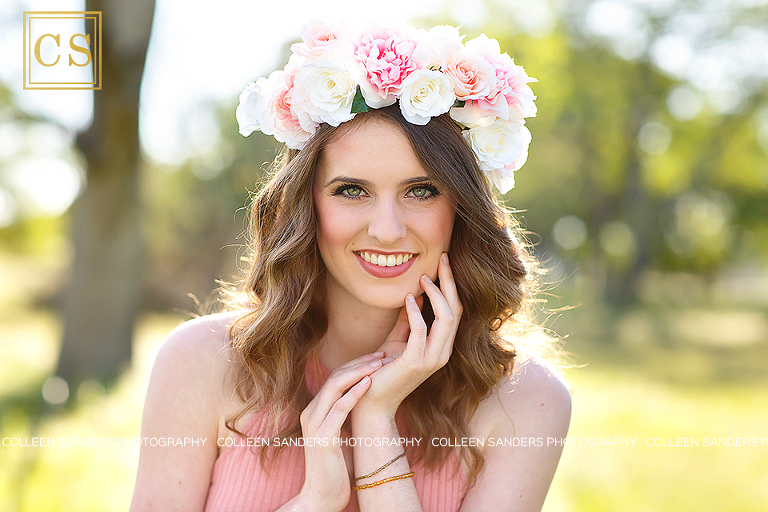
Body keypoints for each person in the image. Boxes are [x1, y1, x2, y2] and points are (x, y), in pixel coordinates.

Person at [129, 19, 572, 512]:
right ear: (307, 206)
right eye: (352, 190)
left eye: (421, 191)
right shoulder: (203, 364)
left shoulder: (525, 400)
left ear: (461, 209)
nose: (386, 229)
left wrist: (376, 423)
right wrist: (318, 500)